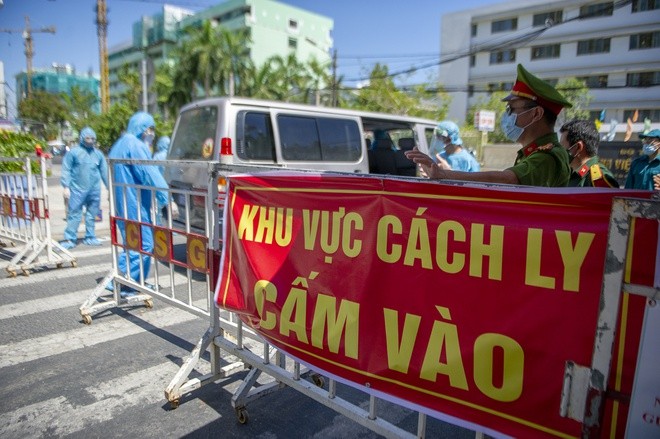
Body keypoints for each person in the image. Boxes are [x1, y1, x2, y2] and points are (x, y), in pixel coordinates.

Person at [406, 64, 572, 187]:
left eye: (512, 109)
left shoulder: (546, 157)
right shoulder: (533, 152)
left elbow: (508, 180)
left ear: (536, 114)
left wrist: (443, 174)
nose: (507, 116)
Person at [107, 112, 169, 291]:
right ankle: (123, 283)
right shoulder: (135, 145)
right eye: (150, 129)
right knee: (144, 243)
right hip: (134, 202)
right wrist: (165, 198)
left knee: (132, 243)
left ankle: (133, 283)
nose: (152, 133)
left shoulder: (119, 144)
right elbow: (149, 173)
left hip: (121, 202)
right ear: (143, 128)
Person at [59, 127, 109, 249]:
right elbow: (66, 169)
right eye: (87, 138)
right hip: (77, 189)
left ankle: (90, 236)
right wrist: (66, 186)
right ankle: (70, 238)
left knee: (92, 214)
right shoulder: (74, 153)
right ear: (82, 138)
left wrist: (109, 188)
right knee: (74, 214)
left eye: (92, 138)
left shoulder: (98, 154)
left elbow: (104, 172)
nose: (90, 140)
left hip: (94, 190)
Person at [558, 119, 618, 187]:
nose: (559, 151)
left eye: (562, 146)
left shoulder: (599, 179)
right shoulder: (572, 175)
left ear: (578, 147)